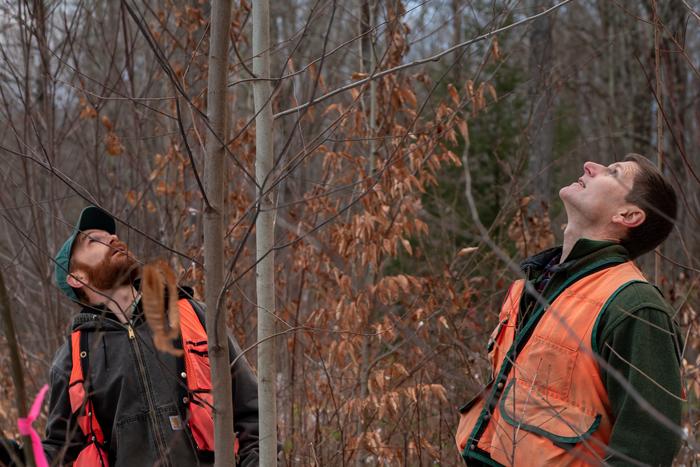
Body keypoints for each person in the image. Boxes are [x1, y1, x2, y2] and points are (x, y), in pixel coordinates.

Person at [455, 154, 684, 466]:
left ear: (628, 215)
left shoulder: (635, 306)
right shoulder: (528, 289)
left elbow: (647, 450)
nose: (590, 165)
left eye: (612, 172)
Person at [4, 206, 259, 466]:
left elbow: (251, 409)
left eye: (111, 235)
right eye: (94, 240)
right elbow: (60, 450)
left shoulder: (191, 314)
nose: (112, 239)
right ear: (76, 277)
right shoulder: (73, 359)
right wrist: (11, 456)